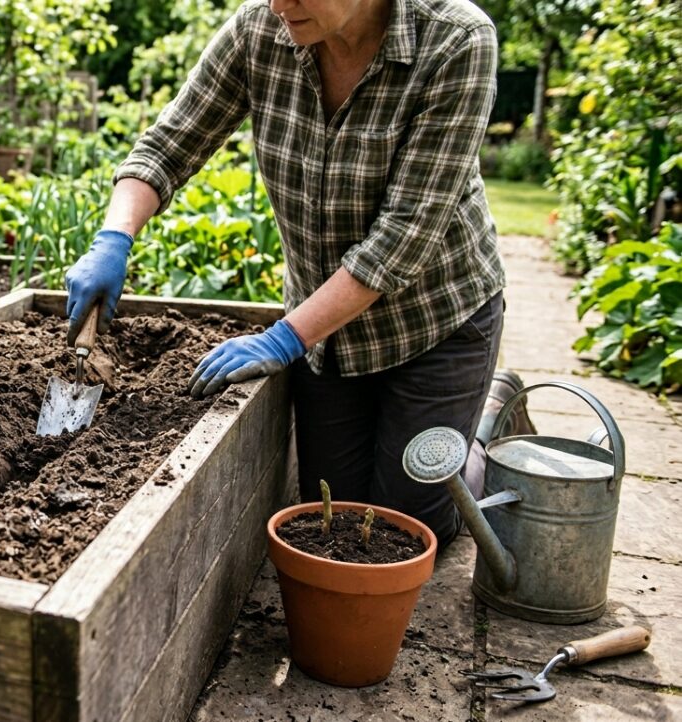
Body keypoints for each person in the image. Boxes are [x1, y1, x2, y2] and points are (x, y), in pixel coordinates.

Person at [64, 0, 533, 549]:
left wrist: (284, 335)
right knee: (330, 519)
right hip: (329, 333)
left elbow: (402, 238)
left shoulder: (455, 40)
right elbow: (169, 145)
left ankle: (479, 431)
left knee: (405, 530)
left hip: (433, 321)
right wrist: (113, 237)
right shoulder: (261, 30)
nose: (277, 4)